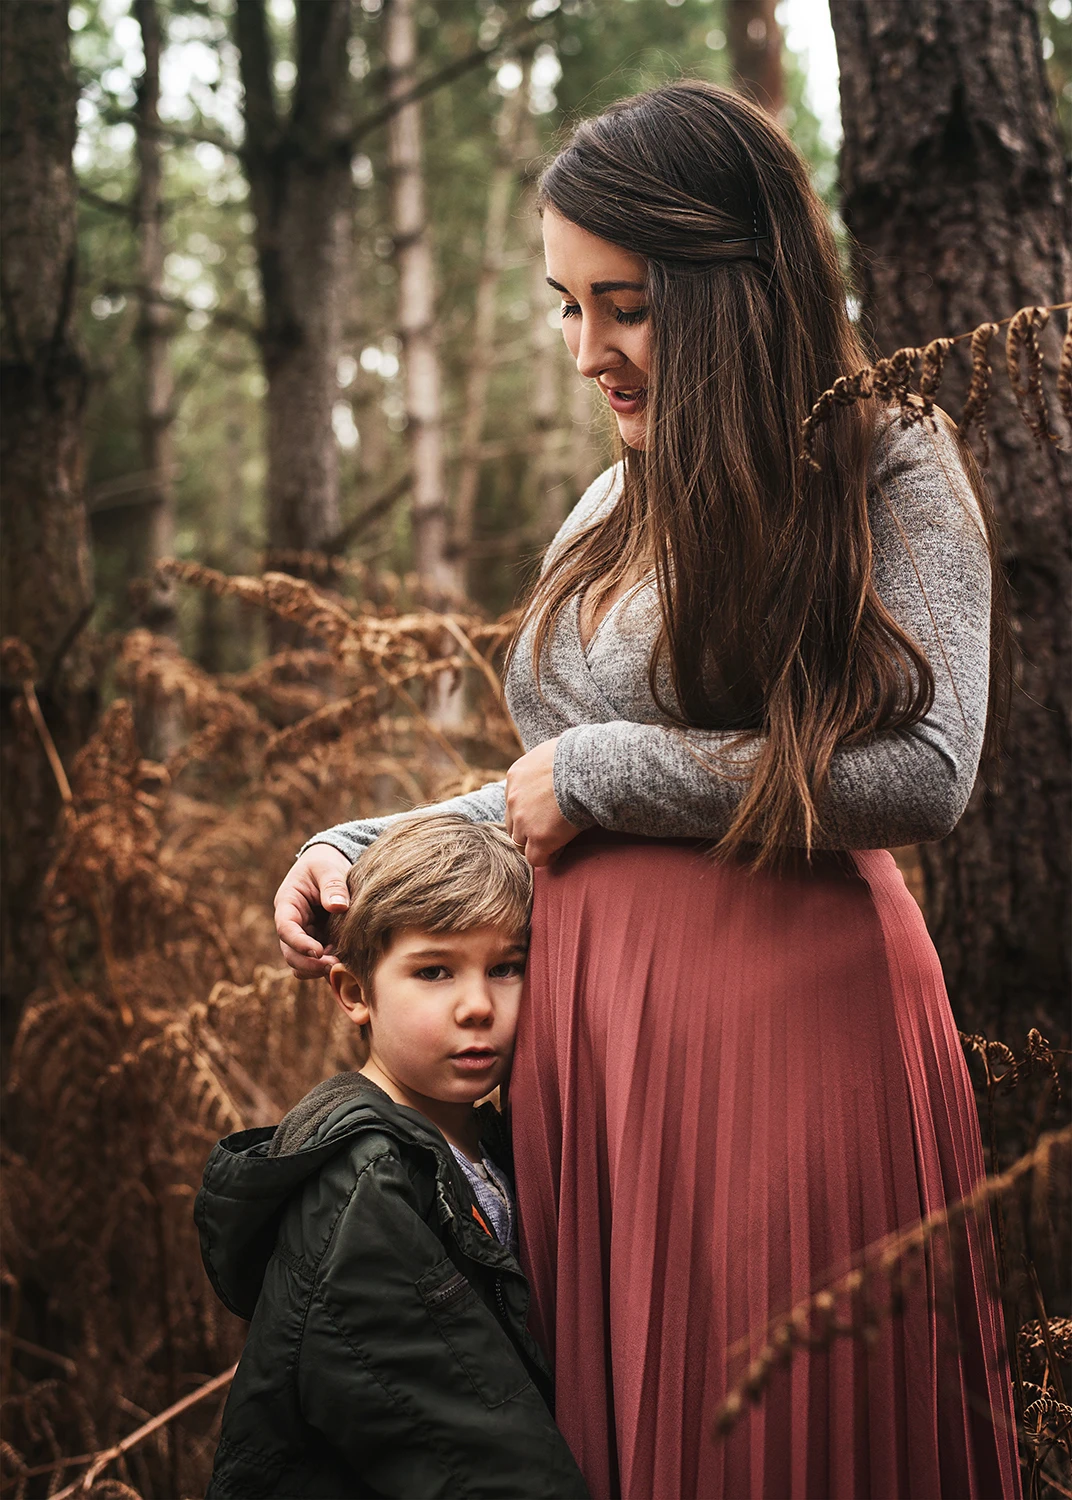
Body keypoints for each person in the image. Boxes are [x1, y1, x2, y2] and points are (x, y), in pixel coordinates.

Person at [274, 82, 1020, 1500]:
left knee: (766, 1441)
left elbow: (928, 770)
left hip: (785, 1035)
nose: (585, 350)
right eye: (565, 306)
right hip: (601, 1051)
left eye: (621, 304)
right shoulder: (617, 496)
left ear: (730, 283)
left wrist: (610, 771)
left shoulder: (884, 452)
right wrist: (367, 846)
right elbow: (552, 791)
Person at [197, 813, 589, 1499]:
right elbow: (466, 1452)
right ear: (354, 993)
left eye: (507, 967)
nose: (477, 1005)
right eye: (434, 971)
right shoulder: (365, 1186)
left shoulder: (488, 1140)